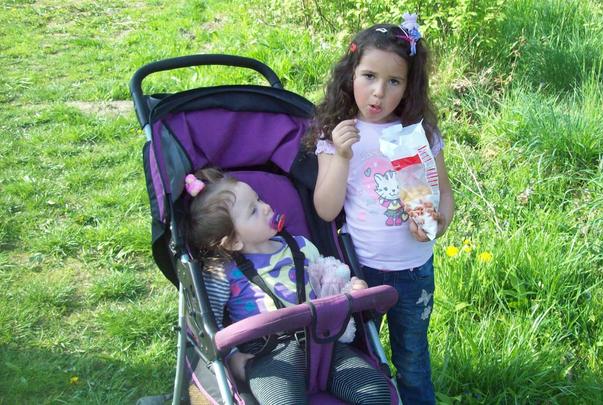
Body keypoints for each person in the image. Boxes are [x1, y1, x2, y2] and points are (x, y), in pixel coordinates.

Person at [308, 13, 455, 405]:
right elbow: (326, 209)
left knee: (413, 361)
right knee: (359, 357)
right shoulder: (338, 133)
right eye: (369, 76)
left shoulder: (418, 133)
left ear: (409, 87)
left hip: (414, 269)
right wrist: (341, 155)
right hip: (361, 270)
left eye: (394, 82)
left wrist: (437, 223)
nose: (378, 92)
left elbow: (444, 194)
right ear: (350, 74)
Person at [184, 168, 391, 405]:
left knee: (377, 393)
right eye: (253, 210)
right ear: (233, 241)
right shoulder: (224, 273)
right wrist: (232, 356)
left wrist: (350, 289)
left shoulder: (301, 246)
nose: (265, 207)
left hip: (322, 344)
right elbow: (209, 322)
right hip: (269, 356)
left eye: (259, 199)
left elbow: (327, 279)